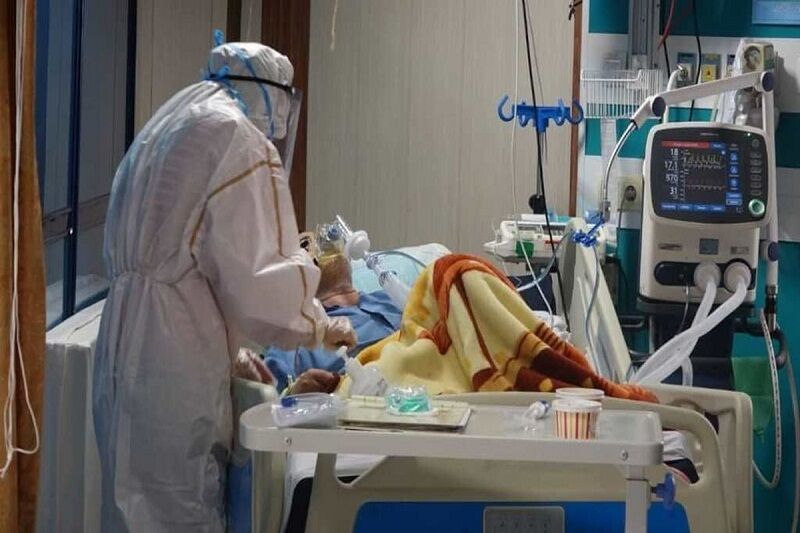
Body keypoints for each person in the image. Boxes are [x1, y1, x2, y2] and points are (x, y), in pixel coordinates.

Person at [92, 38, 356, 532]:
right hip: (172, 359)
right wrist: (319, 325)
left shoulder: (173, 121)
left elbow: (191, 259)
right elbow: (259, 276)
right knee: (179, 507)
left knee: (129, 501)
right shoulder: (238, 138)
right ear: (276, 95)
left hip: (122, 343)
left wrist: (230, 353)